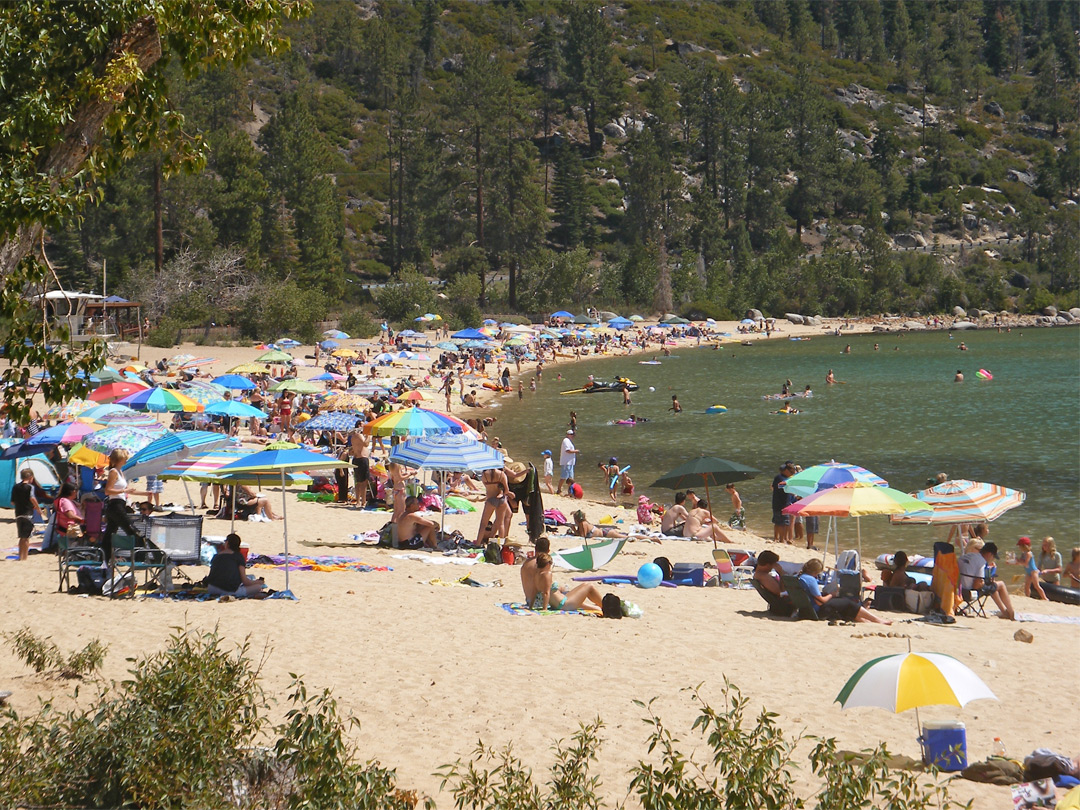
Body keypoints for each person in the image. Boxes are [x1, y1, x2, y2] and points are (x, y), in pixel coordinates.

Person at [797, 559, 891, 624]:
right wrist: (831, 594)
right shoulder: (810, 580)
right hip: (817, 612)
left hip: (805, 611)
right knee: (847, 602)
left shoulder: (800, 577)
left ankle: (862, 619)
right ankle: (877, 619)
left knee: (841, 603)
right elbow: (820, 601)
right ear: (815, 571)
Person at [523, 547, 605, 612]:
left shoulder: (537, 575)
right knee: (589, 586)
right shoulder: (547, 574)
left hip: (560, 602)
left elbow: (534, 591)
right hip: (563, 604)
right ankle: (606, 606)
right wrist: (545, 609)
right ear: (548, 564)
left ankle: (602, 606)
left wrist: (530, 607)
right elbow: (546, 593)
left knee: (584, 587)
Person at [101, 448, 145, 558]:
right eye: (124, 458)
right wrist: (124, 491)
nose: (126, 460)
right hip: (115, 505)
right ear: (120, 459)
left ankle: (104, 558)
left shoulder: (120, 472)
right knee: (131, 529)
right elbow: (108, 490)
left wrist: (145, 493)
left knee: (110, 533)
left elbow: (127, 490)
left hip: (119, 504)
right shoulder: (113, 472)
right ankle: (141, 556)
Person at [958, 541, 1015, 620]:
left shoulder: (965, 556)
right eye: (993, 557)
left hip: (958, 590)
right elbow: (976, 585)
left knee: (992, 587)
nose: (992, 559)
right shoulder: (981, 561)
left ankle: (1004, 612)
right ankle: (1011, 612)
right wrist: (984, 582)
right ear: (989, 554)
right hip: (969, 593)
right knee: (1000, 584)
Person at [205, 533, 265, 598]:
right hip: (228, 590)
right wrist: (258, 582)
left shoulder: (216, 556)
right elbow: (245, 581)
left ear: (227, 543)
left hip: (211, 588)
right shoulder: (238, 556)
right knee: (258, 587)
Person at [11, 468, 43, 560]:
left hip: (18, 513)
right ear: (30, 477)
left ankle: (21, 556)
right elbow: (32, 498)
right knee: (26, 537)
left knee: (21, 536)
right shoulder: (30, 487)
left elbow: (13, 502)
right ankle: (24, 557)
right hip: (27, 513)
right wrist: (38, 508)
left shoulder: (15, 487)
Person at [752, 550, 795, 616]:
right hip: (783, 606)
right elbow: (780, 592)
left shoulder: (759, 574)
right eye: (774, 564)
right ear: (768, 565)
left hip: (778, 604)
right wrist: (781, 573)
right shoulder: (764, 576)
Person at [476, 465, 512, 544]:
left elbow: (487, 487)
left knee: (483, 524)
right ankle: (500, 545)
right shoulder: (502, 474)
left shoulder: (484, 474)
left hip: (490, 499)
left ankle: (478, 543)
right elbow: (506, 490)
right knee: (500, 523)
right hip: (501, 500)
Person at [771, 462, 794, 544]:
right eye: (791, 472)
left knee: (778, 522)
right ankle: (781, 539)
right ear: (786, 470)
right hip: (781, 503)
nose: (791, 474)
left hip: (778, 503)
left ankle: (777, 538)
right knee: (782, 523)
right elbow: (783, 489)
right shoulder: (781, 478)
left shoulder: (779, 478)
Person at [349, 426, 371, 508]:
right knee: (363, 482)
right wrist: (368, 436)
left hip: (357, 459)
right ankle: (363, 501)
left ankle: (359, 501)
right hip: (362, 459)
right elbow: (365, 444)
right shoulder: (359, 435)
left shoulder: (353, 437)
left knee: (358, 481)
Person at [556, 429, 578, 495]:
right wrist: (576, 451)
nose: (573, 436)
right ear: (568, 435)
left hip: (570, 462)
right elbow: (567, 451)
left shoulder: (569, 441)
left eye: (573, 435)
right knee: (564, 477)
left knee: (571, 478)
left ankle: (570, 492)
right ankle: (559, 490)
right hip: (566, 462)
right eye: (571, 435)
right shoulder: (566, 441)